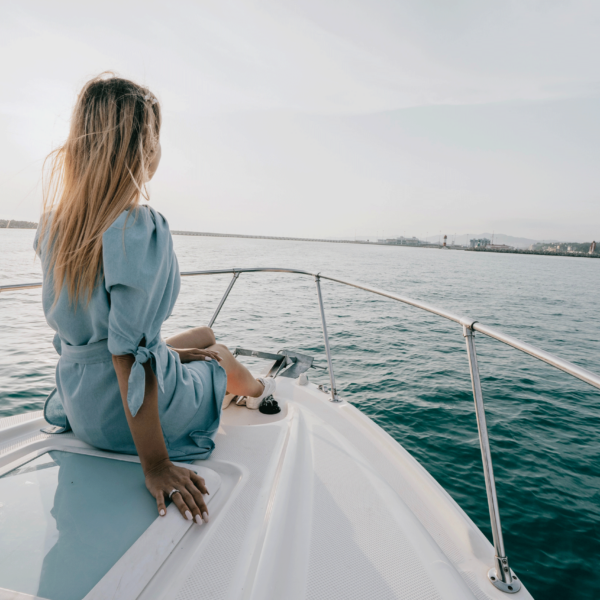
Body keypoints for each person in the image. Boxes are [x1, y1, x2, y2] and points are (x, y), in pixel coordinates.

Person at [35, 73, 275, 525]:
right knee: (216, 355)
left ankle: (209, 362)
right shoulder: (139, 229)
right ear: (146, 150)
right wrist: (157, 465)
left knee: (200, 334)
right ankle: (262, 390)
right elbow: (130, 359)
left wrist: (166, 353)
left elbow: (113, 343)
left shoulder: (54, 228)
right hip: (126, 419)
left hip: (81, 403)